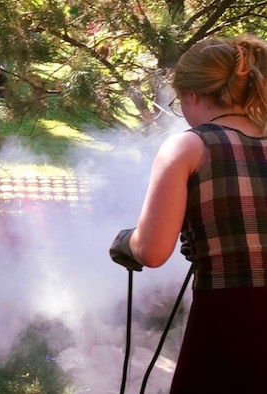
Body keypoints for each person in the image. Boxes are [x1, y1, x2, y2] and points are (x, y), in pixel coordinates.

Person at [109, 35, 267, 392]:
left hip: (233, 320)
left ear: (192, 96)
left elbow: (152, 250)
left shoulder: (189, 146)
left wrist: (124, 243)